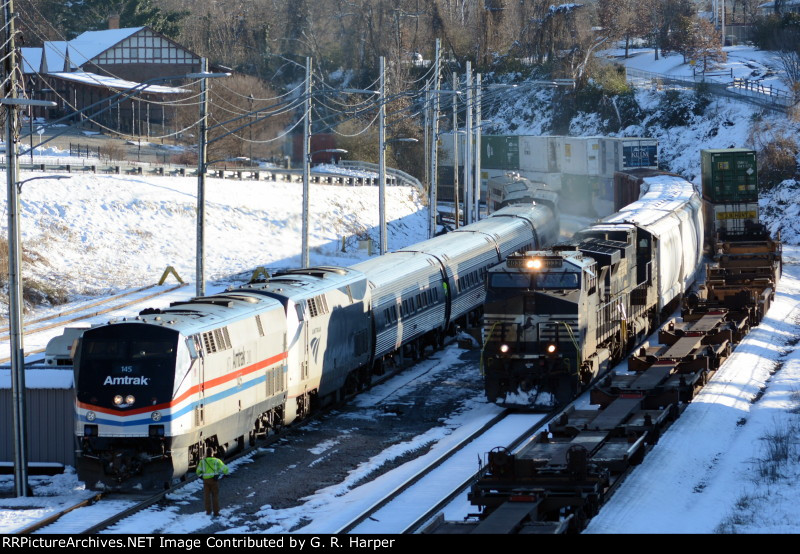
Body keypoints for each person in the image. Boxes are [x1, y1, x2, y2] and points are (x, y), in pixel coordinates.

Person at [196, 447, 229, 516]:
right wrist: (226, 473)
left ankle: (208, 511)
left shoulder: (202, 462)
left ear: (206, 453)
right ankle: (216, 512)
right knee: (215, 496)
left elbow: (198, 472)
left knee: (207, 496)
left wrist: (201, 476)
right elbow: (225, 469)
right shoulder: (217, 461)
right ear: (213, 453)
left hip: (206, 481)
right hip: (214, 480)